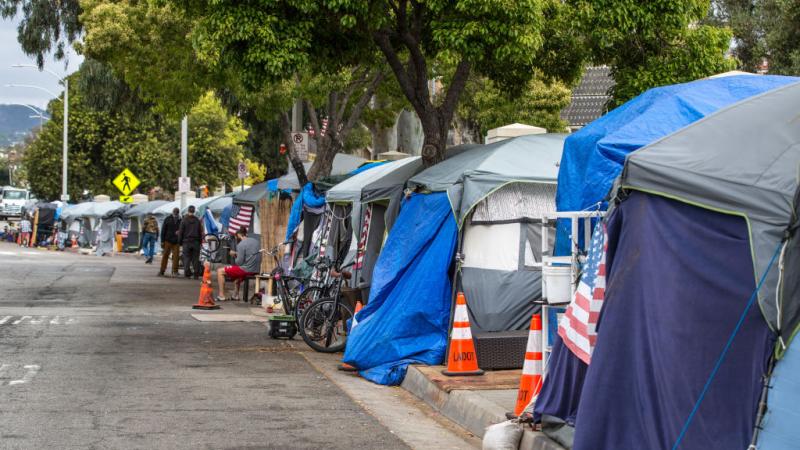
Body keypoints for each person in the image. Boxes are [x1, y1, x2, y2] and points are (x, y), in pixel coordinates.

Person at [215, 226, 261, 302]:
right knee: (237, 273)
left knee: (220, 271)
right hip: (256, 269)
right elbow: (249, 255)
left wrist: (234, 255)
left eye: (236, 237)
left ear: (239, 235)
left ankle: (221, 295)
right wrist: (238, 253)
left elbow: (239, 262)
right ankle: (235, 295)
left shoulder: (241, 245)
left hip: (247, 269)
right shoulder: (256, 241)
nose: (236, 239)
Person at [178, 205, 204, 279]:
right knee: (195, 258)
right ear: (194, 211)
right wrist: (200, 242)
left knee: (186, 258)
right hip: (196, 242)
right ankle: (196, 274)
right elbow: (200, 232)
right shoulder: (197, 220)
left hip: (186, 242)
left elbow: (181, 232)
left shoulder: (184, 220)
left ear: (188, 211)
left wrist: (180, 242)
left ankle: (187, 273)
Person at [159, 208, 181, 277]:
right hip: (168, 240)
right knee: (165, 255)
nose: (175, 213)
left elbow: (182, 229)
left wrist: (180, 232)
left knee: (176, 257)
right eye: (175, 212)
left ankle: (175, 271)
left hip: (176, 241)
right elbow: (163, 230)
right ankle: (162, 270)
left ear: (178, 213)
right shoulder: (168, 219)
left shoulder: (180, 220)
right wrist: (162, 241)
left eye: (176, 212)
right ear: (173, 212)